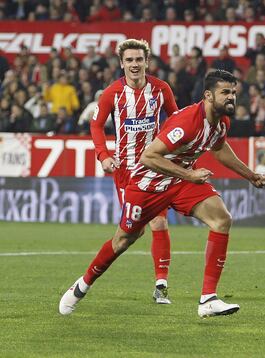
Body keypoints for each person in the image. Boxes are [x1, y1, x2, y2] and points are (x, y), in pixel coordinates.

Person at [59, 70, 265, 318]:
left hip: (180, 181)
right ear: (208, 95)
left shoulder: (220, 121)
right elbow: (149, 156)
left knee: (222, 219)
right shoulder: (188, 121)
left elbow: (220, 148)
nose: (231, 97)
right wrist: (190, 175)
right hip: (149, 184)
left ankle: (208, 299)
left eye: (233, 92)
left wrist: (250, 175)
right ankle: (82, 285)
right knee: (124, 240)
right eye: (225, 92)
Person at [59, 39, 178, 312]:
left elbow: (175, 119)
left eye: (139, 60)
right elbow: (96, 125)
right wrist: (103, 155)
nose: (135, 65)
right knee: (129, 236)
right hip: (127, 173)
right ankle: (82, 284)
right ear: (122, 64)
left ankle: (161, 285)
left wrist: (173, 150)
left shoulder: (161, 89)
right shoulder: (113, 93)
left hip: (156, 168)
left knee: (160, 224)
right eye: (130, 60)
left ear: (146, 62)